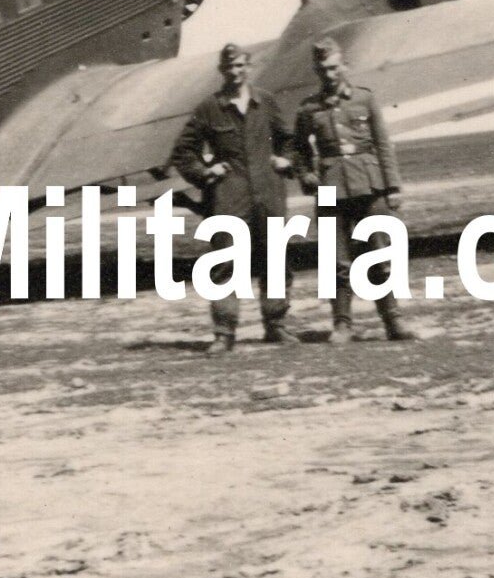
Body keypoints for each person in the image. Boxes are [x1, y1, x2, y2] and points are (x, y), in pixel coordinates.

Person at [168, 43, 298, 354]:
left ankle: (276, 324)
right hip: (229, 196)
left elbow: (288, 140)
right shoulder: (209, 108)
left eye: (240, 66)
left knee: (275, 260)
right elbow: (183, 152)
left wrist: (286, 160)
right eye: (229, 67)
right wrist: (205, 172)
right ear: (221, 70)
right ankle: (224, 332)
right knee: (226, 262)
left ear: (248, 68)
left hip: (268, 193)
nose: (235, 72)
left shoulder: (265, 102)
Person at [294, 37, 418, 342]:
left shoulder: (364, 99)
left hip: (369, 184)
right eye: (323, 69)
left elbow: (382, 144)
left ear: (344, 66)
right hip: (329, 188)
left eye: (334, 67)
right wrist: (307, 175)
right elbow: (298, 151)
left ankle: (393, 321)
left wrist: (393, 187)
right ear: (316, 71)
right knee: (335, 258)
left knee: (379, 254)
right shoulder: (308, 109)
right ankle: (342, 325)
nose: (330, 74)